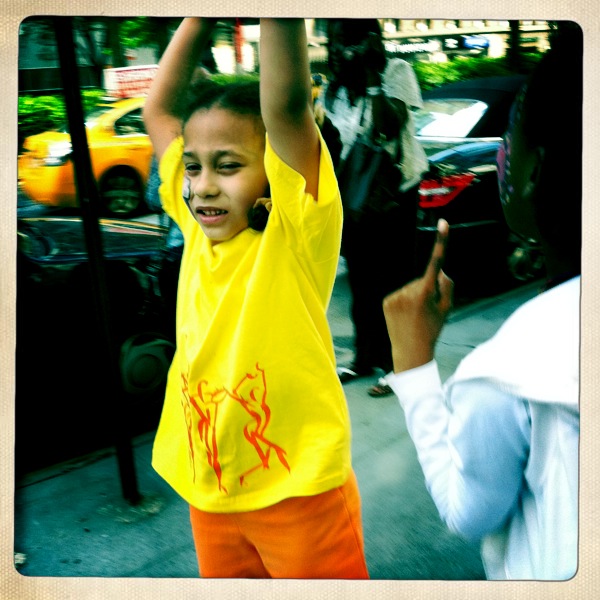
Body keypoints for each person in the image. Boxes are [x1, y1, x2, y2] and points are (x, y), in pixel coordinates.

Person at [142, 17, 369, 579]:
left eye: (229, 166)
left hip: (299, 494)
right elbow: (158, 110)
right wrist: (202, 15)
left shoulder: (296, 232)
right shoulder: (196, 229)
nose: (203, 184)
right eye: (193, 166)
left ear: (273, 175)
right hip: (209, 491)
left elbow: (286, 108)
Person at [382, 31, 582, 581]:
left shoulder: (510, 369)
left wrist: (413, 365)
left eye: (512, 135)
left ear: (534, 169)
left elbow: (468, 512)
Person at [325, 19, 429, 397]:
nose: (340, 50)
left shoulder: (395, 72)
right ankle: (364, 357)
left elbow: (388, 127)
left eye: (347, 41)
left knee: (394, 281)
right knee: (362, 282)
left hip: (393, 194)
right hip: (355, 198)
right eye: (335, 42)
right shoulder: (335, 91)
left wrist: (372, 77)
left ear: (370, 40)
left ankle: (398, 365)